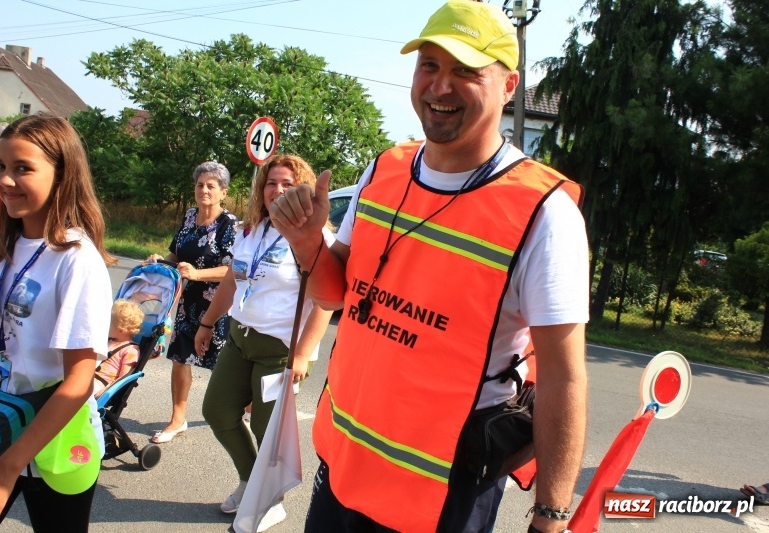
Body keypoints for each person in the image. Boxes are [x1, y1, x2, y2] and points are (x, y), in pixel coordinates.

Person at [268, 2, 589, 532]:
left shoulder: (544, 213)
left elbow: (563, 376)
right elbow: (336, 294)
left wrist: (551, 517)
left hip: (441, 495)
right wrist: (307, 243)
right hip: (344, 465)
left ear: (509, 86)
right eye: (430, 65)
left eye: (466, 70)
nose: (440, 86)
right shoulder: (384, 169)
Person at [0, 113, 114, 531]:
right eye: (0, 165)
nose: (5, 180)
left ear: (62, 175)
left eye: (23, 168)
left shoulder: (76, 260)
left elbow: (78, 382)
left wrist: (7, 468)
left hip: (55, 440)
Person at [196, 154, 335, 530]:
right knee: (217, 411)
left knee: (267, 429)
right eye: (271, 183)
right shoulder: (252, 229)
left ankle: (271, 500)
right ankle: (250, 480)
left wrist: (302, 355)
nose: (278, 190)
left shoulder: (315, 235)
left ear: (303, 189)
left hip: (281, 351)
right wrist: (207, 322)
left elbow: (325, 302)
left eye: (288, 183)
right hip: (240, 338)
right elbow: (233, 278)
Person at [145, 161, 238, 443]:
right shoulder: (189, 217)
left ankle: (245, 409)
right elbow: (176, 254)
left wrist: (198, 274)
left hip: (219, 303)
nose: (204, 190)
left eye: (211, 186)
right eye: (200, 185)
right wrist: (159, 262)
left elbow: (235, 269)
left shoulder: (230, 225)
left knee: (225, 366)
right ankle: (178, 419)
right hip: (188, 302)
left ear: (223, 192)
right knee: (180, 359)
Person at [93, 299, 145, 399]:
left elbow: (123, 378)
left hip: (101, 384)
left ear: (121, 329)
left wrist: (106, 390)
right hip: (89, 377)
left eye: (109, 324)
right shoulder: (108, 341)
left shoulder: (131, 350)